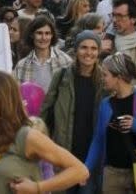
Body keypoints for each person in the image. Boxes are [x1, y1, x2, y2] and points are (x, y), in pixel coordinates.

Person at [85, 52, 136, 193]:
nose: (102, 79)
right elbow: (98, 140)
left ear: (119, 76)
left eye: (105, 75)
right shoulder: (106, 104)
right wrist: (85, 169)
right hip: (112, 174)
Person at [40, 30, 106, 194]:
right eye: (84, 47)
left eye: (93, 48)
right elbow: (45, 112)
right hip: (64, 152)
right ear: (76, 50)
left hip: (92, 154)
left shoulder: (105, 80)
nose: (88, 53)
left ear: (98, 52)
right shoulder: (61, 76)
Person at [14, 15, 72, 93]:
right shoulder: (21, 65)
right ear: (32, 35)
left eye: (47, 33)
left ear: (52, 35)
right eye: (39, 33)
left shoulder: (65, 61)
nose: (44, 37)